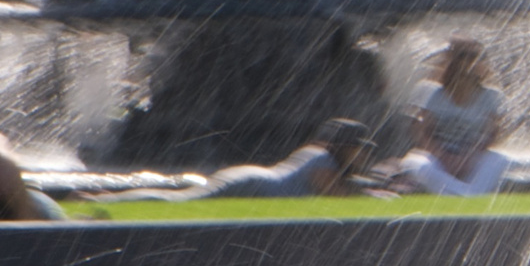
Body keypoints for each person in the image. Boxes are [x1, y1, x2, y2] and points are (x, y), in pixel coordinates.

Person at [90, 118, 376, 201]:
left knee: (183, 197)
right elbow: (337, 195)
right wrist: (376, 195)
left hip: (249, 179)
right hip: (252, 185)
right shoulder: (323, 161)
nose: (363, 155)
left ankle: (107, 198)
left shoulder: (317, 155)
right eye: (358, 148)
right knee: (180, 201)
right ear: (343, 146)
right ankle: (102, 201)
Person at [394, 37, 510, 196]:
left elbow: (493, 135)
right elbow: (422, 132)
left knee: (500, 159)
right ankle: (469, 196)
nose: (469, 62)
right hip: (439, 158)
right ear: (452, 61)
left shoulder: (491, 96)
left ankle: (462, 195)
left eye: (475, 56)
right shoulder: (433, 93)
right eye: (463, 56)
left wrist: (468, 158)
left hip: (473, 159)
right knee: (415, 163)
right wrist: (442, 156)